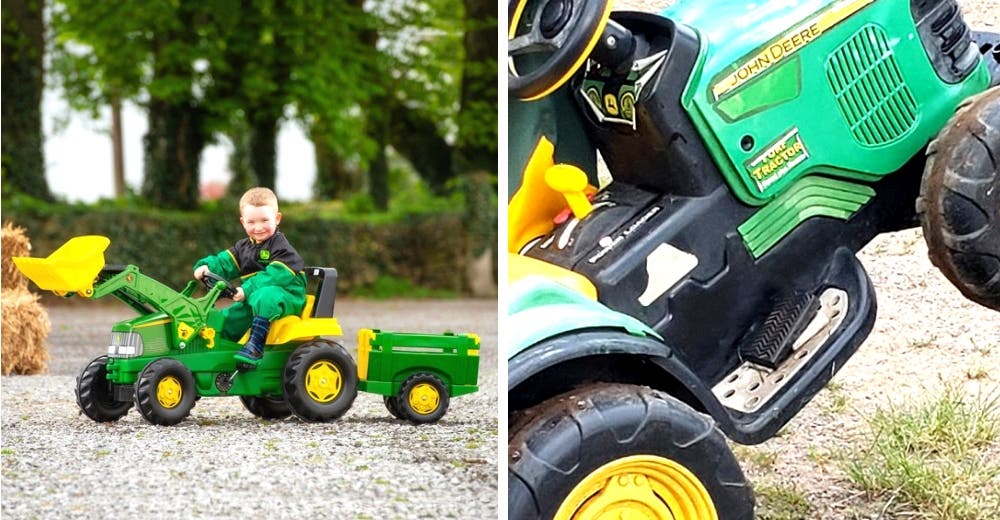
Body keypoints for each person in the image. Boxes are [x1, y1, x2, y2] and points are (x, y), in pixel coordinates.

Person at [193, 187, 306, 367]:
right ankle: (216, 353)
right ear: (242, 222)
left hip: (286, 298)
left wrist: (246, 289)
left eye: (264, 220)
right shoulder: (243, 248)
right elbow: (225, 262)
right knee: (230, 318)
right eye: (251, 222)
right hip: (253, 298)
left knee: (265, 295)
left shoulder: (282, 249)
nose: (258, 227)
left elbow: (273, 277)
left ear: (277, 219)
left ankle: (255, 346)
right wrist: (206, 266)